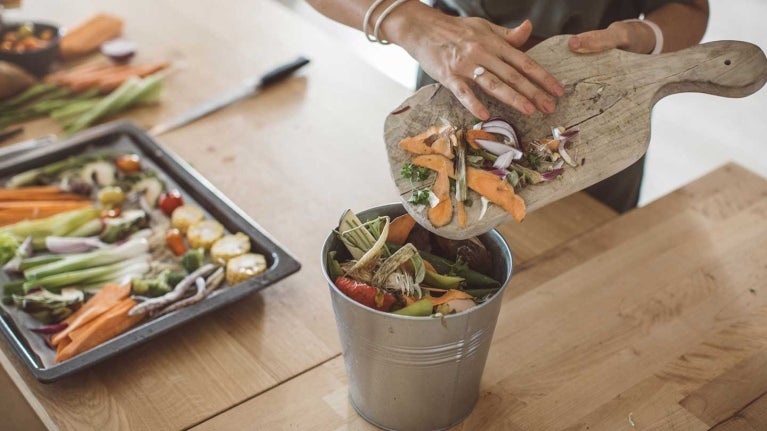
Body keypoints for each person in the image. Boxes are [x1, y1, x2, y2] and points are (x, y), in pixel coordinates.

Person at [306, 0, 710, 213]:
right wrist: (409, 21)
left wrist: (643, 37)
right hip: (457, 96)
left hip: (599, 114)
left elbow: (688, 7)